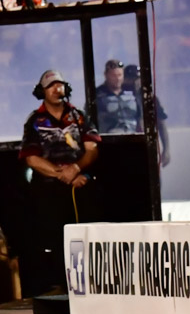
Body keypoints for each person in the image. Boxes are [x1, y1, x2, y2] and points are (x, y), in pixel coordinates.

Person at [18, 70, 101, 296]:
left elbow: (92, 148)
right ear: (42, 91)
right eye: (51, 86)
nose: (57, 89)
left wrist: (76, 169)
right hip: (48, 188)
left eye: (60, 85)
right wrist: (63, 174)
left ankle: (89, 280)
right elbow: (31, 158)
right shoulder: (34, 121)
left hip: (80, 185)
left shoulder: (79, 116)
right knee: (53, 236)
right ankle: (59, 284)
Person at [123, 64, 170, 167]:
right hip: (125, 146)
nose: (135, 82)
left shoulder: (150, 98)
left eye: (137, 79)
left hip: (146, 147)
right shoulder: (119, 98)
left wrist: (166, 149)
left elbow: (161, 124)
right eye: (131, 79)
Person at [95, 59, 141, 134]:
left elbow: (140, 117)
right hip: (109, 138)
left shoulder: (132, 93)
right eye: (113, 75)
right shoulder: (98, 95)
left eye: (120, 75)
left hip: (134, 136)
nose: (117, 79)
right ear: (106, 75)